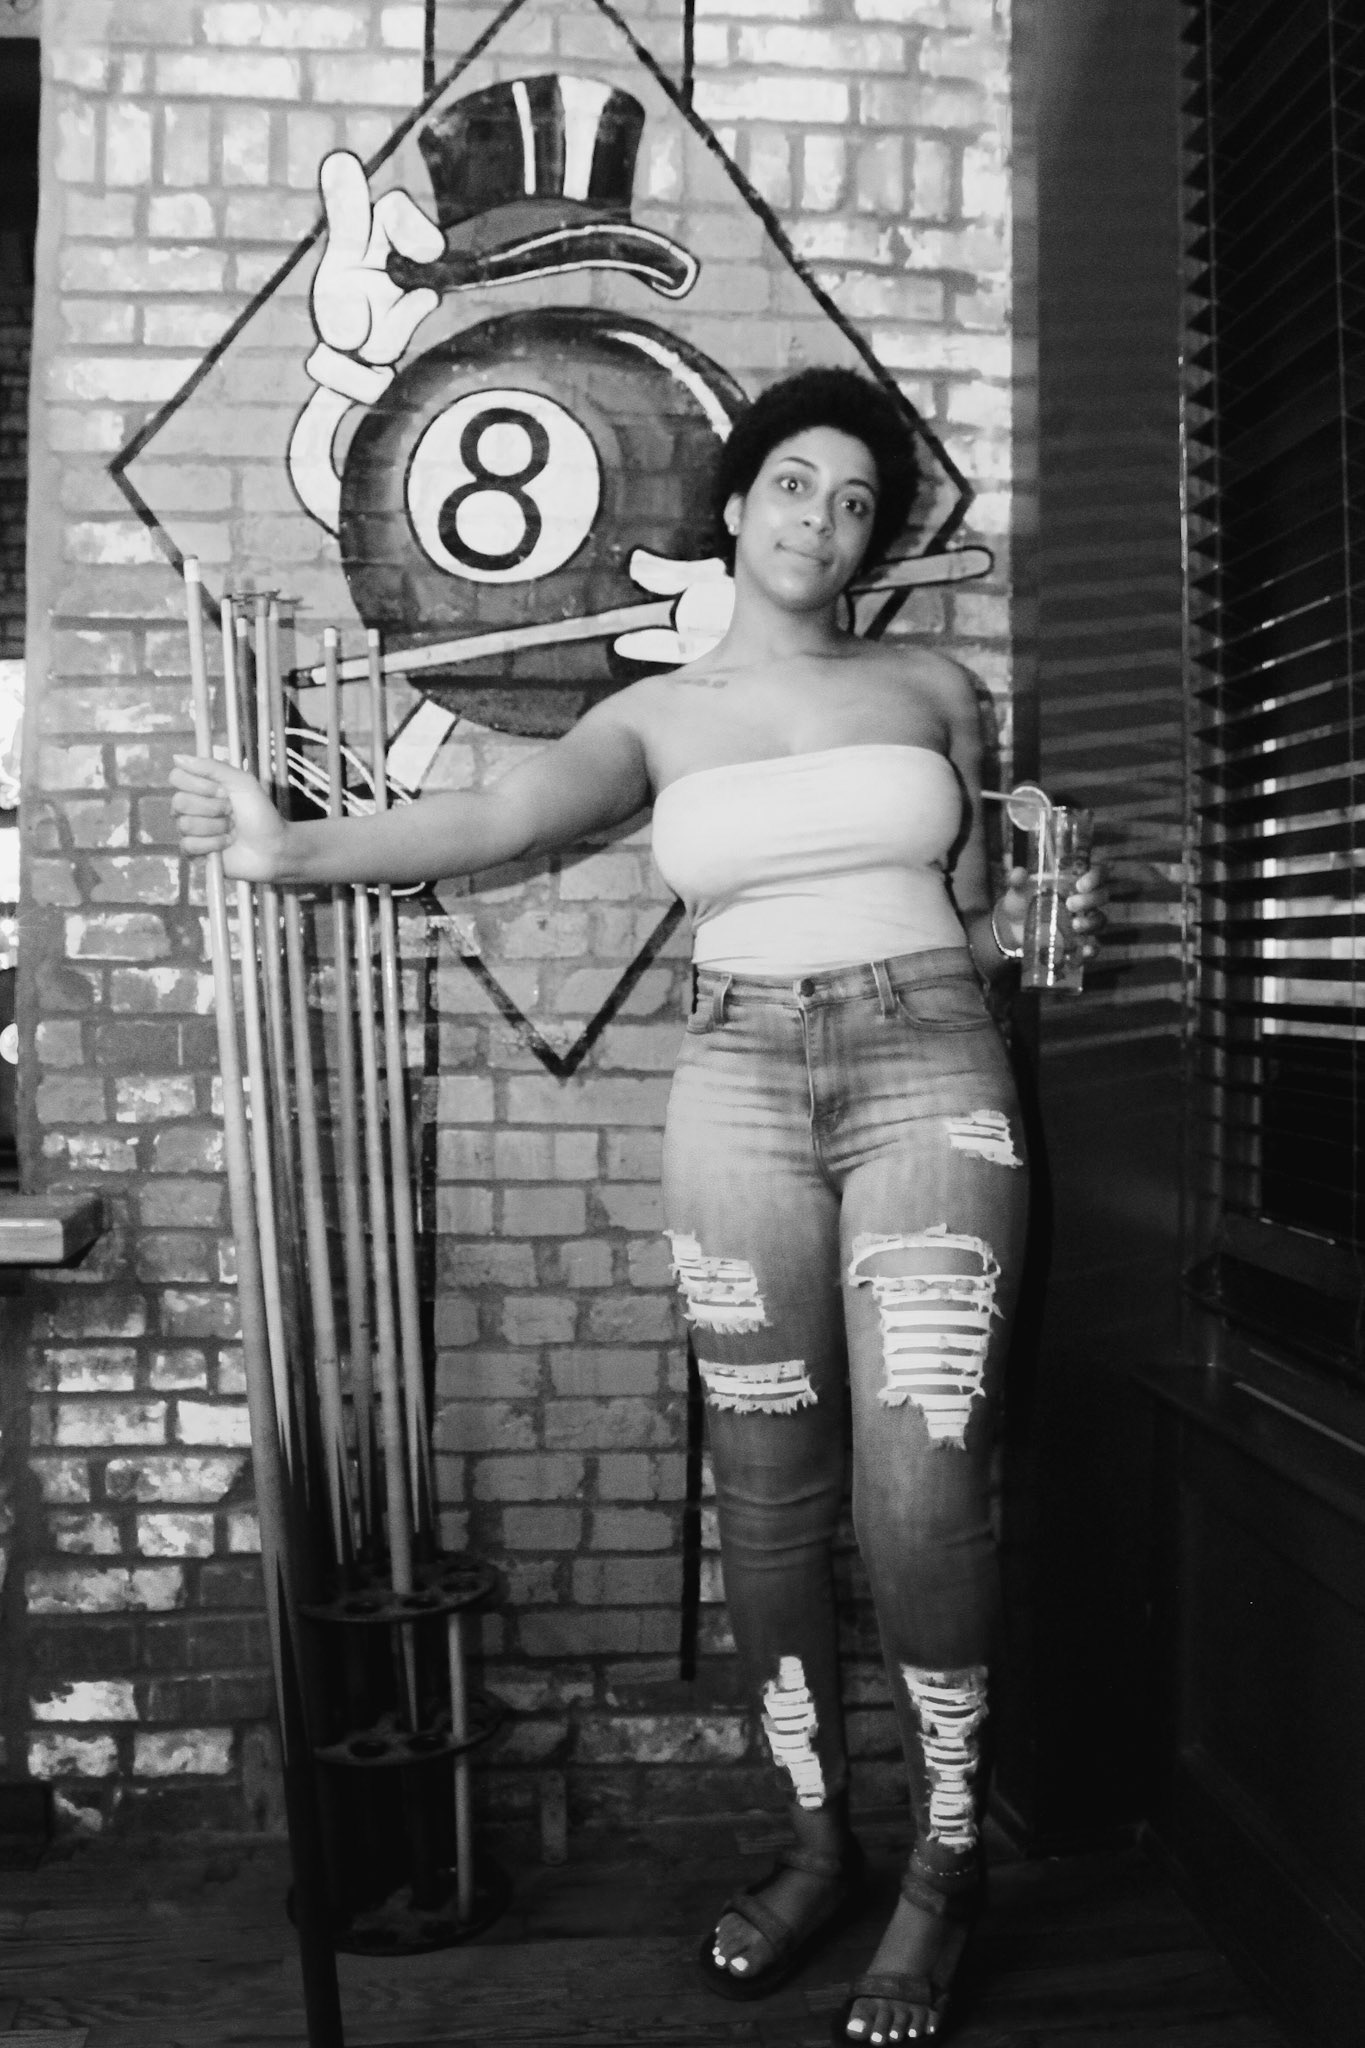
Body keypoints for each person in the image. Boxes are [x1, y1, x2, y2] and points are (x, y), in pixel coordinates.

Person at [172, 367, 1106, 2046]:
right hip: (735, 1082)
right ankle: (815, 1840)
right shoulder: (655, 715)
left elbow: (981, 917)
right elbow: (493, 817)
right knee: (767, 1500)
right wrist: (283, 850)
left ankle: (945, 1861)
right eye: (796, 485)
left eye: (856, 504)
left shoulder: (934, 690)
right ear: (735, 505)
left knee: (920, 1490)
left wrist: (1046, 933)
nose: (823, 521)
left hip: (929, 1070)